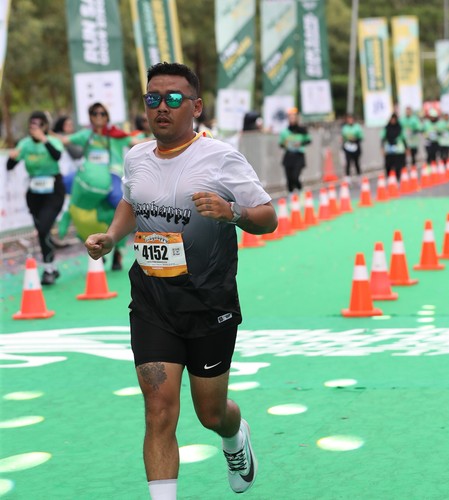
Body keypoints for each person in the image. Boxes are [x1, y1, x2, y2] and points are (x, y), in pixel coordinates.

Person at [84, 62, 277, 499]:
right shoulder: (135, 156)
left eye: (174, 98)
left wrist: (232, 212)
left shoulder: (220, 157)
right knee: (158, 410)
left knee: (211, 413)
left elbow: (268, 217)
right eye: (153, 98)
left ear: (197, 106)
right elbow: (131, 202)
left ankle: (235, 437)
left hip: (208, 302)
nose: (162, 107)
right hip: (152, 300)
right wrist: (112, 237)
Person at [55, 103, 136, 270]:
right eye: (94, 113)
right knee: (71, 192)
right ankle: (94, 246)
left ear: (107, 116)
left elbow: (135, 142)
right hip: (90, 178)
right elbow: (64, 140)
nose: (98, 116)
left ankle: (118, 250)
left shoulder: (116, 134)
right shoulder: (86, 134)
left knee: (118, 205)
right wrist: (45, 134)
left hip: (111, 176)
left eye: (102, 113)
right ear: (90, 116)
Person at [6, 111, 65, 285]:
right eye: (31, 124)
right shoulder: (25, 144)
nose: (34, 128)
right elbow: (10, 165)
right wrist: (11, 158)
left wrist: (44, 140)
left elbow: (57, 156)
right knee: (42, 231)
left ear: (45, 126)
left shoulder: (52, 141)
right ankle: (51, 267)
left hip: (53, 190)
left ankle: (48, 268)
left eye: (38, 124)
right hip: (34, 193)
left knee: (44, 227)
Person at [279, 108, 311, 195]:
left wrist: (300, 143)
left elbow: (308, 140)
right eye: (290, 117)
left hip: (299, 156)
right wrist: (286, 144)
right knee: (289, 178)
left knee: (295, 177)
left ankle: (301, 192)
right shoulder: (285, 132)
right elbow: (281, 144)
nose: (292, 119)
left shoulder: (302, 130)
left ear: (297, 118)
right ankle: (291, 196)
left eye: (293, 117)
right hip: (288, 156)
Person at [380, 112, 407, 180]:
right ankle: (389, 178)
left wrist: (406, 148)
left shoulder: (400, 128)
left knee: (398, 165)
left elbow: (403, 138)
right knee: (388, 165)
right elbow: (382, 138)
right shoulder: (386, 128)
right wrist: (382, 148)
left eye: (394, 120)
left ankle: (398, 178)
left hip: (398, 150)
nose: (393, 121)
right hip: (389, 149)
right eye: (392, 119)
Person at [340, 114, 364, 184]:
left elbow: (361, 136)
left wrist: (355, 138)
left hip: (355, 146)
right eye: (349, 119)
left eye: (351, 119)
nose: (350, 120)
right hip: (347, 146)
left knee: (356, 162)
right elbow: (342, 136)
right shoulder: (345, 127)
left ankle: (359, 177)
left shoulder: (357, 127)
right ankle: (347, 179)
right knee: (348, 163)